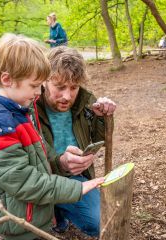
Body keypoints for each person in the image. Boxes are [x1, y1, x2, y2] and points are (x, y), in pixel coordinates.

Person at [0, 33, 104, 240]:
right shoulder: (1, 125)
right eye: (35, 85)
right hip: (20, 210)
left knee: (95, 219)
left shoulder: (19, 107)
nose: (39, 91)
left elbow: (39, 151)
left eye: (73, 88)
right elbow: (24, 182)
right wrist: (76, 188)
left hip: (39, 192)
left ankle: (54, 214)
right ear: (7, 79)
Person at [35, 46, 117, 237]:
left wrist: (102, 117)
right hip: (41, 178)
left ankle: (63, 207)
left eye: (73, 87)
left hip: (76, 179)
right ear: (45, 80)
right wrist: (60, 163)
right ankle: (54, 210)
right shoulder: (31, 104)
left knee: (101, 222)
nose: (67, 96)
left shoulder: (85, 100)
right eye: (60, 86)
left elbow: (101, 140)